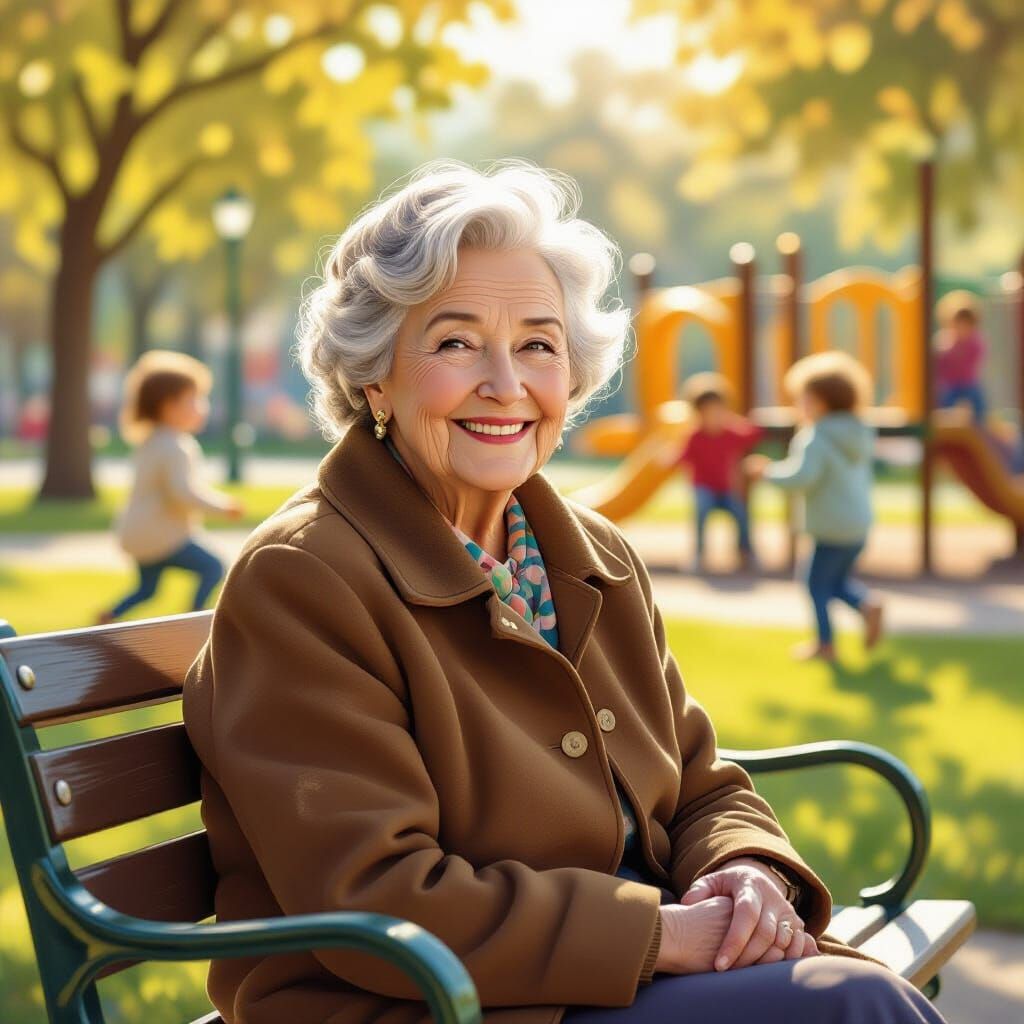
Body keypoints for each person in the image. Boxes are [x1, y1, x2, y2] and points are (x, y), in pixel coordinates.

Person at [182, 160, 945, 1024]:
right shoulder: (304, 577)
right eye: (456, 341)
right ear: (373, 378)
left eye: (538, 344)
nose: (506, 384)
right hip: (428, 1003)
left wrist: (746, 871)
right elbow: (377, 896)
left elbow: (699, 781)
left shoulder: (589, 553)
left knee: (851, 1000)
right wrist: (664, 935)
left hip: (603, 974)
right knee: (853, 1007)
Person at [746, 352, 884, 663]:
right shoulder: (860, 431)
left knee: (815, 584)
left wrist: (766, 471)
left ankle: (825, 644)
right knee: (834, 582)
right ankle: (866, 605)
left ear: (821, 402)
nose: (800, 406)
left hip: (830, 526)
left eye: (803, 399)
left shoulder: (816, 436)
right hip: (858, 524)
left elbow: (801, 477)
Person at [97, 351, 242, 624]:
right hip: (161, 536)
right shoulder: (175, 444)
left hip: (138, 532)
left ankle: (109, 616)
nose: (202, 407)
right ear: (168, 406)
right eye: (194, 400)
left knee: (147, 590)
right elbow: (183, 493)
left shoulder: (152, 440)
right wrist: (222, 507)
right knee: (214, 567)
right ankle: (194, 621)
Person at [677, 373, 763, 571]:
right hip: (704, 487)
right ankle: (699, 553)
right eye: (709, 413)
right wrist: (668, 460)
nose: (714, 417)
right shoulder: (695, 437)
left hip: (727, 489)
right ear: (699, 414)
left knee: (740, 512)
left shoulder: (731, 433)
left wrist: (733, 420)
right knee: (701, 508)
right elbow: (683, 456)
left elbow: (754, 433)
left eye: (719, 412)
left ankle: (746, 551)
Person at [935, 291, 987, 423]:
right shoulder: (945, 341)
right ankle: (944, 421)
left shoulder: (975, 342)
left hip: (968, 383)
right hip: (950, 384)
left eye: (966, 325)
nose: (962, 329)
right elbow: (939, 362)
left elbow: (974, 359)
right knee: (945, 398)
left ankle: (980, 423)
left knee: (977, 398)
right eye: (959, 325)